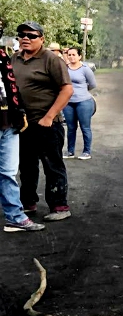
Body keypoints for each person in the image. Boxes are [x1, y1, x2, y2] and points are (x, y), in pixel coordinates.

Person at [12, 22, 73, 222]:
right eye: (21, 34)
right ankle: (28, 203)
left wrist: (49, 117)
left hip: (47, 123)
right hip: (23, 123)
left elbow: (67, 90)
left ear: (42, 39)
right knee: (27, 165)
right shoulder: (15, 58)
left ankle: (59, 206)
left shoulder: (51, 60)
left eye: (31, 35)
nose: (25, 38)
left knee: (52, 165)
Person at [0, 42, 44, 232]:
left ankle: (15, 217)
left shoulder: (2, 55)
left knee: (8, 173)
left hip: (9, 121)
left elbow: (11, 86)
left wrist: (19, 112)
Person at [63, 47, 97, 160]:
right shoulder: (65, 69)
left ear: (79, 56)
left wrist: (81, 91)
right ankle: (70, 151)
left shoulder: (85, 69)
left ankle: (86, 151)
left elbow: (92, 84)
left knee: (85, 127)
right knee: (71, 127)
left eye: (74, 55)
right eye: (69, 55)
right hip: (68, 102)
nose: (71, 57)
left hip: (84, 102)